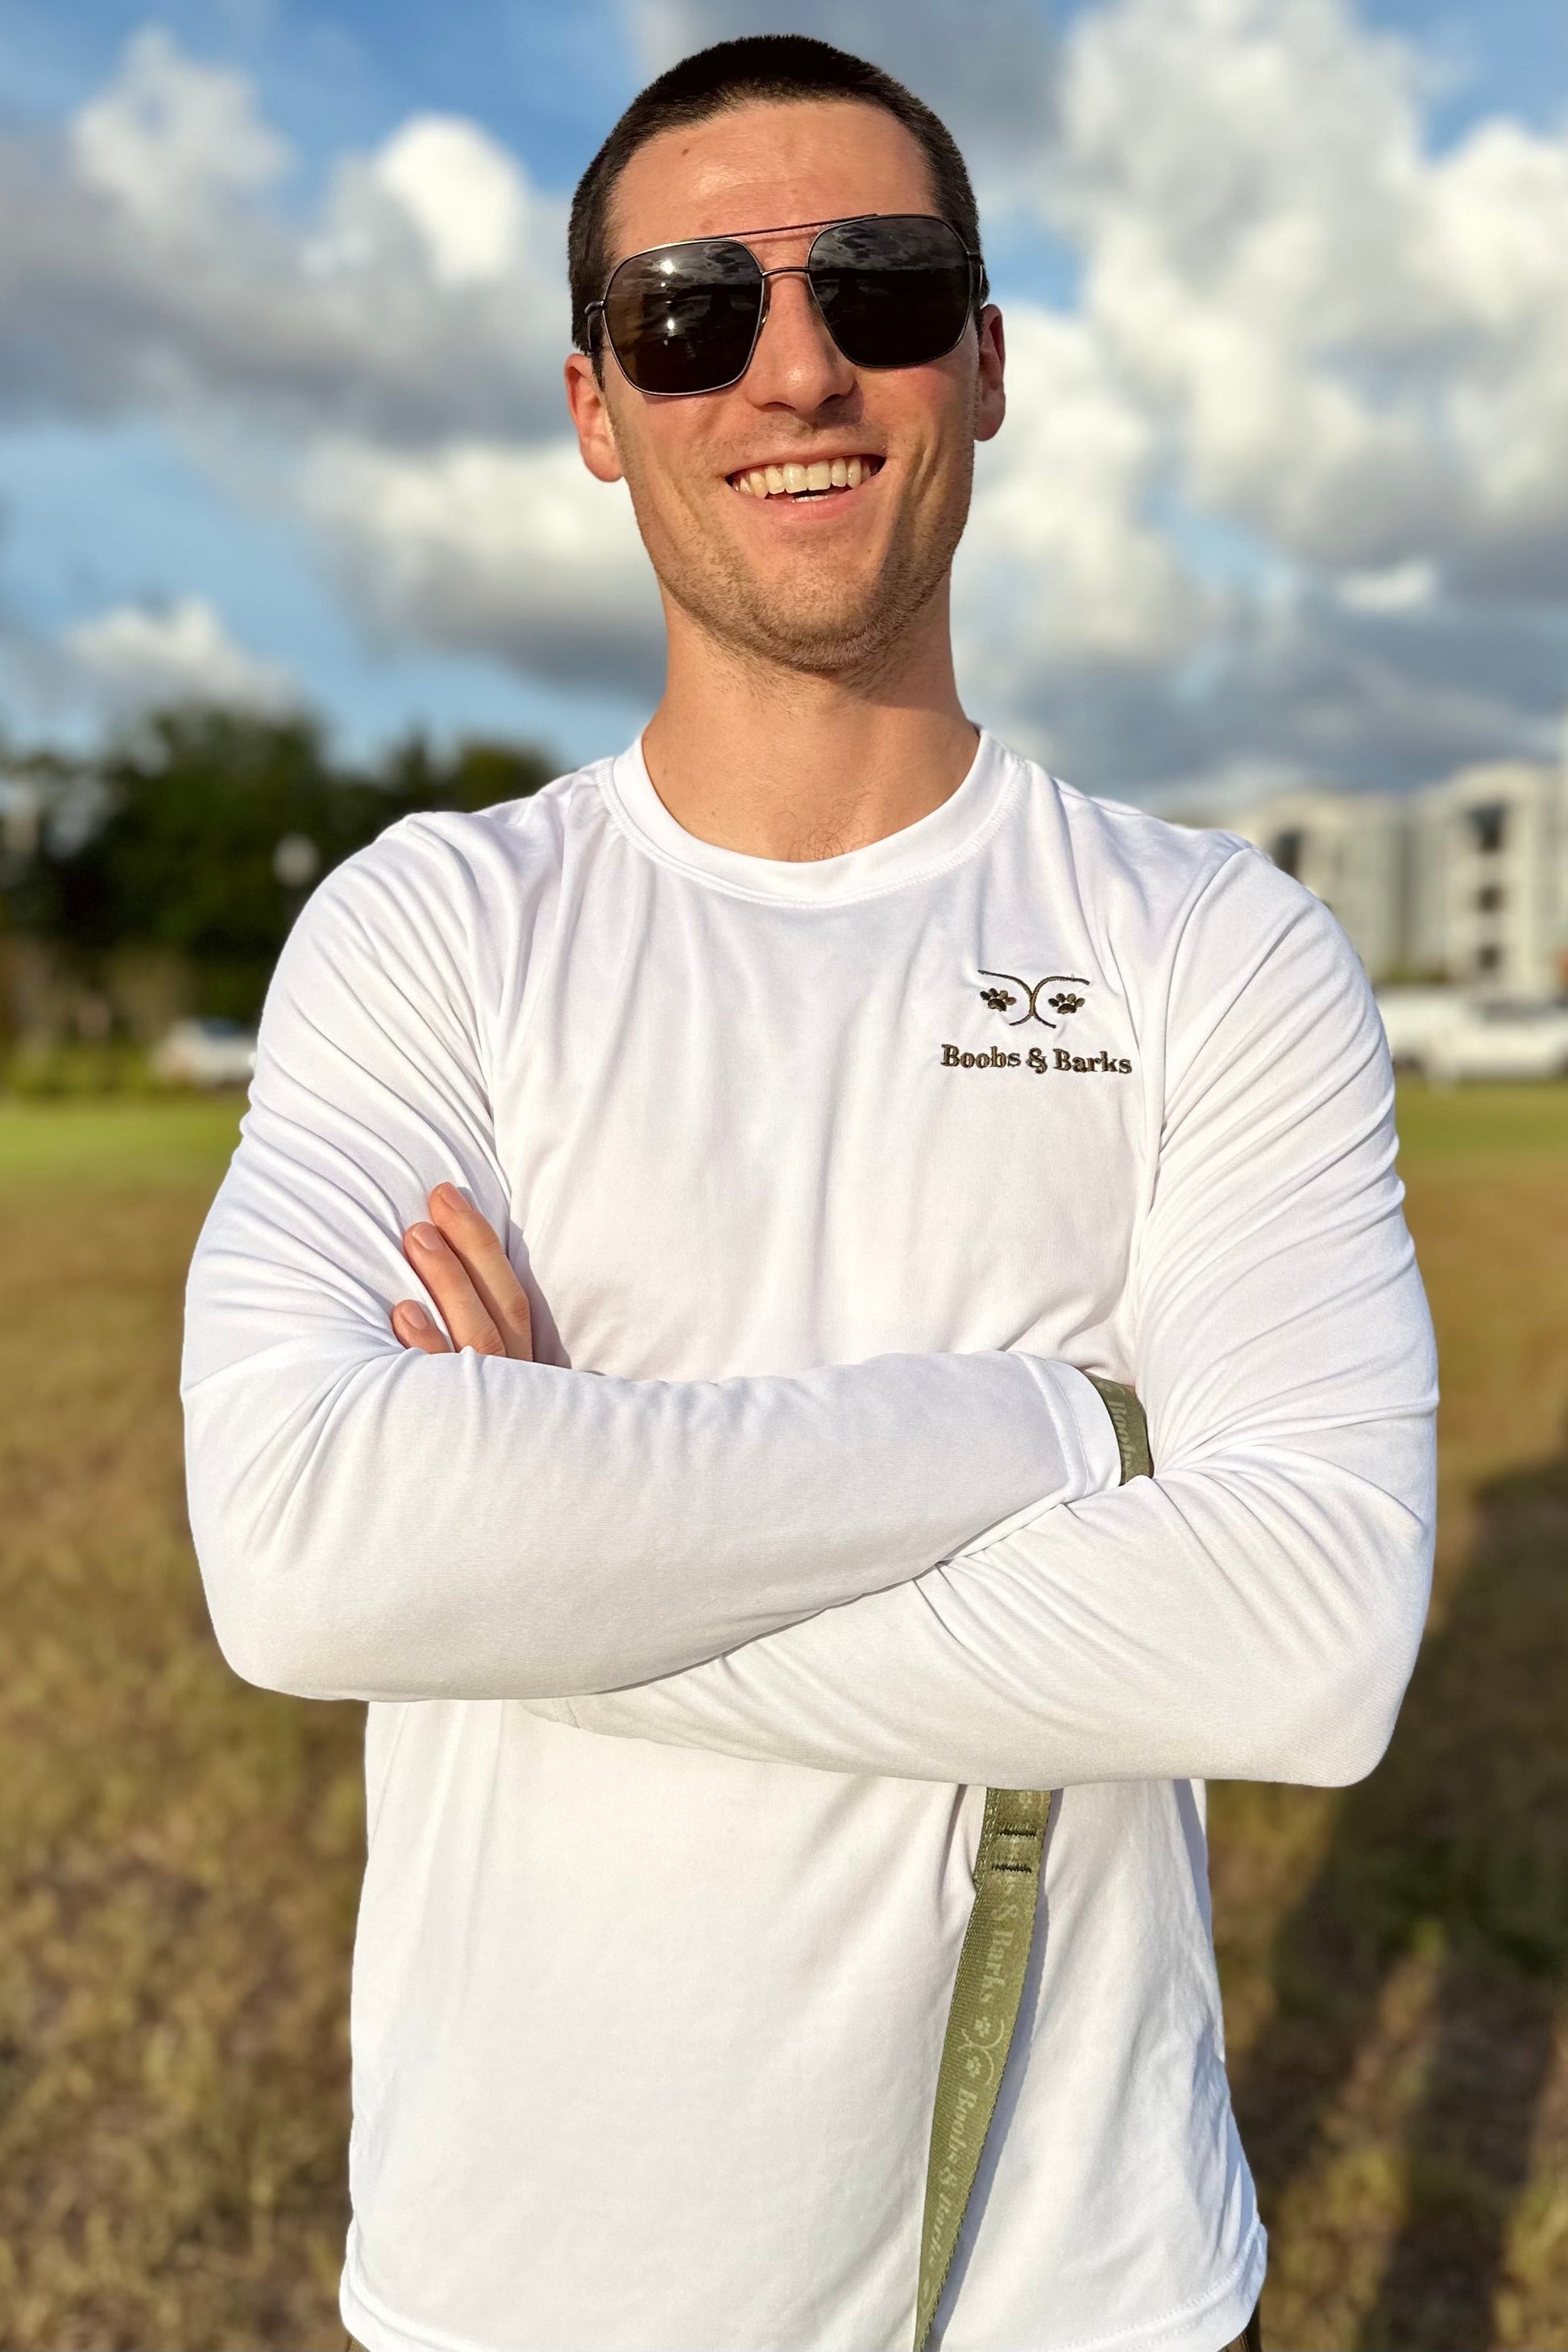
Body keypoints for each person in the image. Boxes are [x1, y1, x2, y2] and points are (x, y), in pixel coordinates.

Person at [182, 35, 1437, 2352]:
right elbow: (303, 1551)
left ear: (984, 362)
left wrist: (542, 1562)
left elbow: (1305, 1638)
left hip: (1077, 2288)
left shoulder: (1210, 947)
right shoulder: (435, 924)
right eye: (691, 312)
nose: (792, 369)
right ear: (596, 406)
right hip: (516, 2282)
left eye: (880, 288)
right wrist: (1039, 1433)